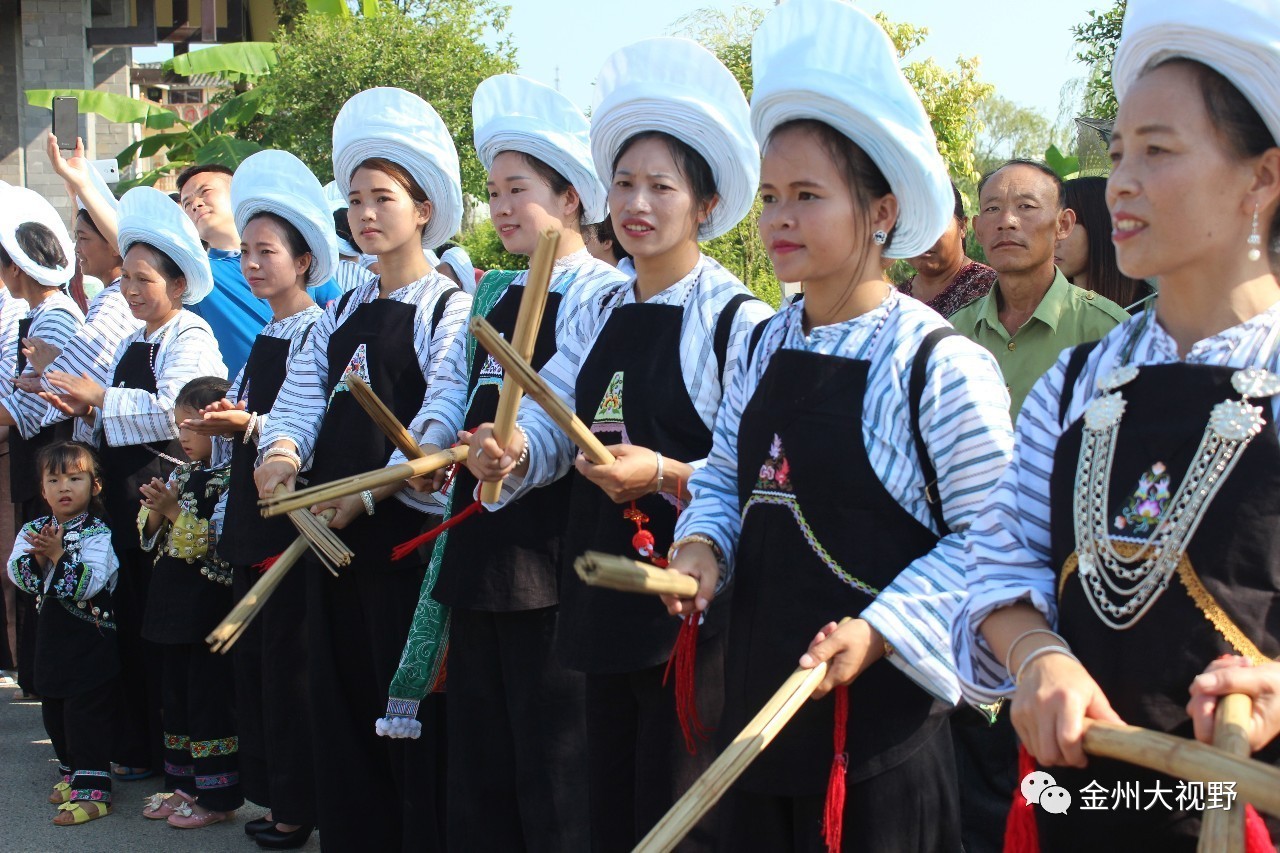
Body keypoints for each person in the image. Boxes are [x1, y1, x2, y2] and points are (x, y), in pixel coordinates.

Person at [660, 2, 1015, 849]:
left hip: (879, 744)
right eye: (773, 195)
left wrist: (881, 628)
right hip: (756, 717)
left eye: (809, 196)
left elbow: (992, 539)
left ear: (882, 210)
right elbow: (723, 477)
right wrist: (704, 546)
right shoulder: (763, 338)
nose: (779, 217)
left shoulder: (936, 362)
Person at [954, 0, 1280, 846]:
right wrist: (1038, 654)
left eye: (1159, 151)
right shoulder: (1079, 379)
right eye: (1122, 151)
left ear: (1263, 179)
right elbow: (999, 548)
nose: (1121, 181)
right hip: (1089, 806)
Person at [465, 39, 773, 852]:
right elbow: (549, 414)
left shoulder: (737, 320)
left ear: (705, 204)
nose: (637, 203)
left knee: (680, 815)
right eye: (625, 184)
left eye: (661, 187)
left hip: (688, 600)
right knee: (607, 802)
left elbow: (757, 474)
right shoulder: (600, 309)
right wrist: (513, 456)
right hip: (599, 592)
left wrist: (666, 471)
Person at [378, 72, 628, 852]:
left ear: (572, 199)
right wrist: (421, 446)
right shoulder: (488, 291)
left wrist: (514, 449)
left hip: (548, 553)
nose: (503, 208)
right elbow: (450, 386)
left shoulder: (603, 293)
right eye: (495, 191)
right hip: (477, 541)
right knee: (480, 756)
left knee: (553, 760)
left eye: (519, 189)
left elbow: (566, 399)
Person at [254, 86, 470, 853]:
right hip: (326, 543)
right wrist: (278, 462)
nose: (366, 214)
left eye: (384, 198)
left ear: (423, 210)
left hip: (401, 554)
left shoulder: (451, 308)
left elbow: (439, 422)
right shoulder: (337, 312)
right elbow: (297, 404)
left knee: (408, 722)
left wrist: (365, 497)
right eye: (354, 200)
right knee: (337, 714)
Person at [42, 185, 227, 783]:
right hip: (123, 503)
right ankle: (137, 746)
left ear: (178, 285)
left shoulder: (190, 335)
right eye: (128, 280)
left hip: (165, 501)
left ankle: (176, 759)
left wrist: (101, 399)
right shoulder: (132, 338)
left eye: (144, 281)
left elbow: (182, 414)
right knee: (128, 622)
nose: (131, 291)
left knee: (163, 629)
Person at [184, 148, 334, 850]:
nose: (251, 264)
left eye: (266, 251)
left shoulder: (315, 329)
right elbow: (247, 413)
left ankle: (298, 807)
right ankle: (275, 796)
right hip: (250, 515)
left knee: (289, 669)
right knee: (257, 668)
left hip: (290, 520)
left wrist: (247, 424)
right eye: (245, 251)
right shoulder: (266, 333)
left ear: (303, 261)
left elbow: (310, 425)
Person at [948, 160, 1130, 419]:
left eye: (1026, 206)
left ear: (1063, 225)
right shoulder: (954, 333)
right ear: (977, 229)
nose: (1006, 221)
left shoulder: (1108, 332)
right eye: (992, 208)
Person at [137, 376, 240, 829]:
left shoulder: (230, 480)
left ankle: (216, 797)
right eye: (180, 427)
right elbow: (147, 533)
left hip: (206, 608)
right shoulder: (182, 472)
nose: (184, 436)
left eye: (194, 427)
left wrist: (175, 510)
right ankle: (182, 786)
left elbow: (212, 543)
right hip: (171, 605)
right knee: (175, 697)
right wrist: (157, 507)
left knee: (207, 700)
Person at [0, 184, 85, 701]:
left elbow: (28, 409)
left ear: (18, 266)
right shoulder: (39, 314)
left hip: (49, 457)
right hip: (39, 462)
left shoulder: (54, 316)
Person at [8, 441, 118, 825]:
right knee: (53, 707)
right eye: (53, 480)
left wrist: (57, 555)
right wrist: (38, 556)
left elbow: (89, 584)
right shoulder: (34, 528)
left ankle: (95, 792)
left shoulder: (97, 532)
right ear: (41, 489)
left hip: (90, 638)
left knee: (83, 713)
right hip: (51, 636)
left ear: (95, 485)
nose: (63, 487)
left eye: (74, 478)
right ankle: (73, 772)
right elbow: (18, 576)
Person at [176, 166, 339, 375]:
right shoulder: (194, 276)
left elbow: (341, 319)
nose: (195, 205)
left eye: (205, 192)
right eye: (187, 203)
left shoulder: (300, 253)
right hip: (245, 396)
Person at [900, 182, 997, 317]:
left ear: (962, 226)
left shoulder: (990, 289)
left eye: (936, 223)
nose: (922, 235)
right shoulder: (894, 299)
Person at [1059, 176, 1153, 312]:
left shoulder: (1151, 319)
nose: (1053, 238)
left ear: (1100, 228)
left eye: (1065, 225)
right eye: (1049, 226)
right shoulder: (1042, 309)